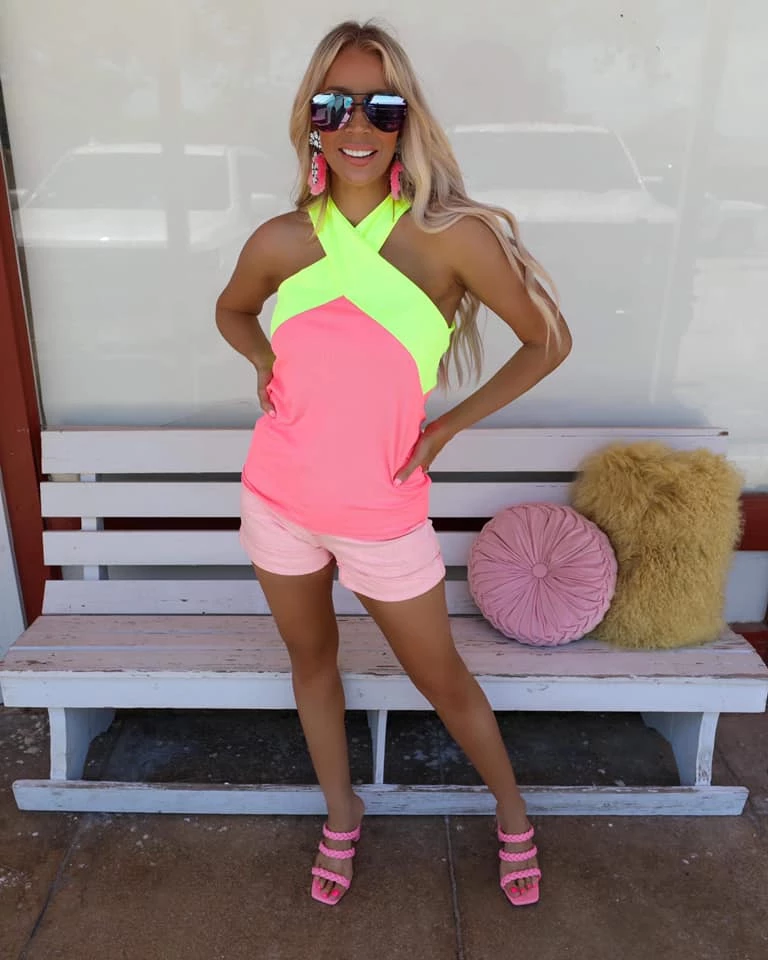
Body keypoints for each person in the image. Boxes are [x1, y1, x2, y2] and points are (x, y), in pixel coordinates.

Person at [216, 19, 571, 908]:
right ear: (310, 121)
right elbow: (232, 310)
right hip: (279, 500)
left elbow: (547, 340)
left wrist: (446, 429)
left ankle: (513, 814)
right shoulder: (280, 239)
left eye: (381, 105)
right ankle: (342, 812)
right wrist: (261, 358)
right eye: (334, 105)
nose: (357, 126)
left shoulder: (450, 237)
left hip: (383, 511)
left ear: (406, 118)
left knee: (441, 679)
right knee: (312, 663)